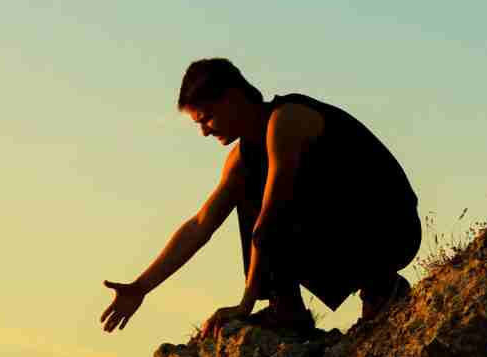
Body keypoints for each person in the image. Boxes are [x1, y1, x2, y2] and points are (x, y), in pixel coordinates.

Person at [100, 58, 421, 338]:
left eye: (206, 118)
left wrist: (247, 302)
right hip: (347, 234)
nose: (205, 132)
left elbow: (271, 218)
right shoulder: (243, 158)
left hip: (390, 230)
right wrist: (141, 287)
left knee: (261, 196)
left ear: (233, 99)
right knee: (249, 183)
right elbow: (200, 225)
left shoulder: (287, 120)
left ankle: (366, 290)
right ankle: (292, 309)